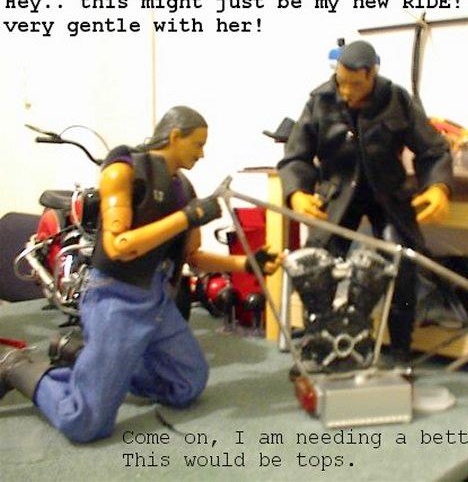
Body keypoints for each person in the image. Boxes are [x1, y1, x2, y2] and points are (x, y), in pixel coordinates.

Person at [0, 106, 281, 442]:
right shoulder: (123, 170)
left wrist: (247, 264)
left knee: (186, 384)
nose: (202, 154)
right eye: (198, 144)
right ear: (175, 136)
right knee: (85, 421)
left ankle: (82, 358)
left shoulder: (183, 188)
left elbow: (192, 257)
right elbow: (118, 246)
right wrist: (187, 217)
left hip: (158, 299)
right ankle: (16, 367)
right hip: (116, 298)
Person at [277, 41, 452, 362]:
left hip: (388, 195)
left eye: (355, 85)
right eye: (341, 82)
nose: (346, 92)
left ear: (372, 74)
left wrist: (438, 186)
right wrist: (297, 193)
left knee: (403, 262)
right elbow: (295, 156)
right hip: (337, 195)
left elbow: (433, 149)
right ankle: (318, 341)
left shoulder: (397, 99)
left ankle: (401, 348)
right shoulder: (320, 101)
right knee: (315, 266)